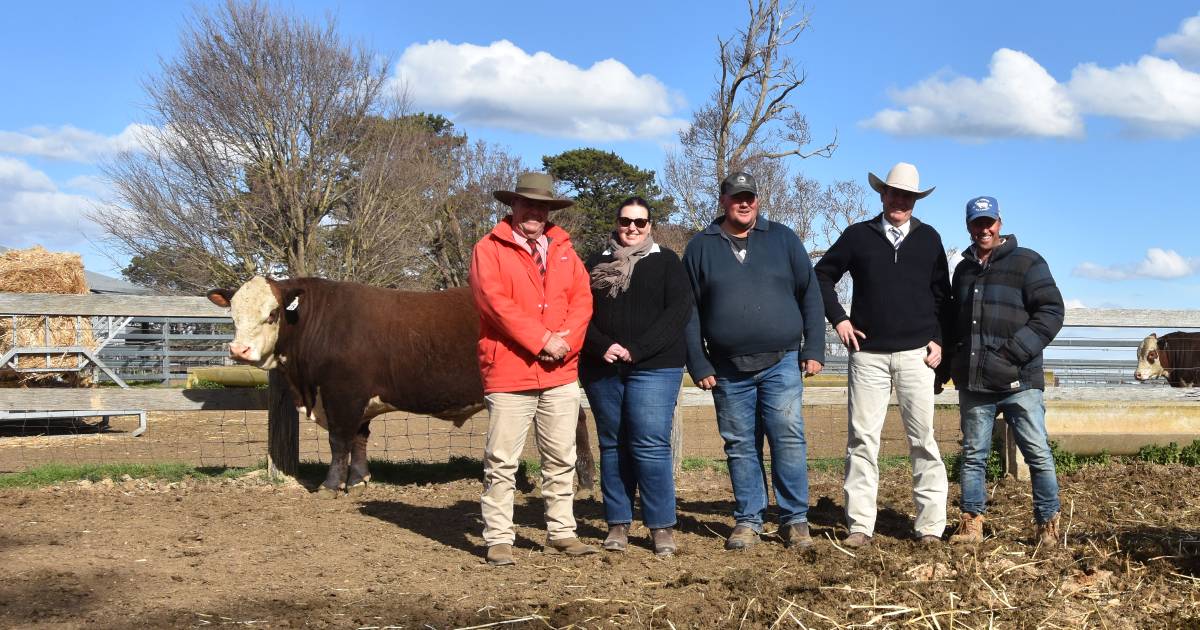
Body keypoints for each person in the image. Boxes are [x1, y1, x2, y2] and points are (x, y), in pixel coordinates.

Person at [683, 171, 826, 550]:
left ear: (757, 201)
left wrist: (813, 348)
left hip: (782, 362)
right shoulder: (701, 247)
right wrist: (698, 362)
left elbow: (810, 293)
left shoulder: (782, 238)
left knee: (788, 438)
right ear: (723, 201)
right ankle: (749, 519)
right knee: (740, 444)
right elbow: (689, 311)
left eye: (749, 197)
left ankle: (795, 519)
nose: (743, 203)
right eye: (735, 197)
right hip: (728, 368)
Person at [813, 162, 950, 548]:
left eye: (908, 196)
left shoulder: (929, 239)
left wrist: (939, 338)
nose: (900, 201)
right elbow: (822, 275)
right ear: (882, 194)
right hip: (868, 355)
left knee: (923, 439)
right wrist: (838, 319)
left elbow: (943, 296)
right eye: (894, 193)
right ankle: (860, 525)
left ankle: (930, 527)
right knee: (862, 439)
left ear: (915, 201)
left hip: (917, 355)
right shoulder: (858, 236)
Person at [468, 171, 597, 566]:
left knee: (562, 456)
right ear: (513, 206)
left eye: (542, 206)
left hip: (560, 372)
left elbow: (583, 300)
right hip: (510, 371)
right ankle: (499, 538)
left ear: (549, 210)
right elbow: (495, 304)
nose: (534, 212)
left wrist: (565, 342)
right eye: (528, 205)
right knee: (503, 459)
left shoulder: (564, 250)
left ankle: (561, 531)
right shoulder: (488, 249)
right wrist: (543, 341)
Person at [941, 196, 1065, 547]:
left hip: (1019, 380)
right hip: (975, 382)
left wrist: (1013, 353)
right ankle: (971, 522)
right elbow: (955, 324)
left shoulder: (1027, 262)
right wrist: (951, 364)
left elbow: (1051, 312)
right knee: (973, 455)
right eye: (977, 223)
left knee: (1037, 454)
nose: (984, 229)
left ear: (1000, 223)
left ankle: (1047, 523)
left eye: (989, 222)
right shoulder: (963, 270)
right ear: (968, 226)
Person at [580, 197, 693, 557]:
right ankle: (617, 522)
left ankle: (661, 526)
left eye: (640, 222)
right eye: (626, 221)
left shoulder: (667, 262)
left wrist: (638, 350)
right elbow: (578, 312)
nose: (632, 228)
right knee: (613, 444)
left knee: (650, 444)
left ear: (650, 226)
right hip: (603, 367)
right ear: (616, 222)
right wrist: (602, 345)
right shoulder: (595, 264)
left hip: (654, 366)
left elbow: (677, 313)